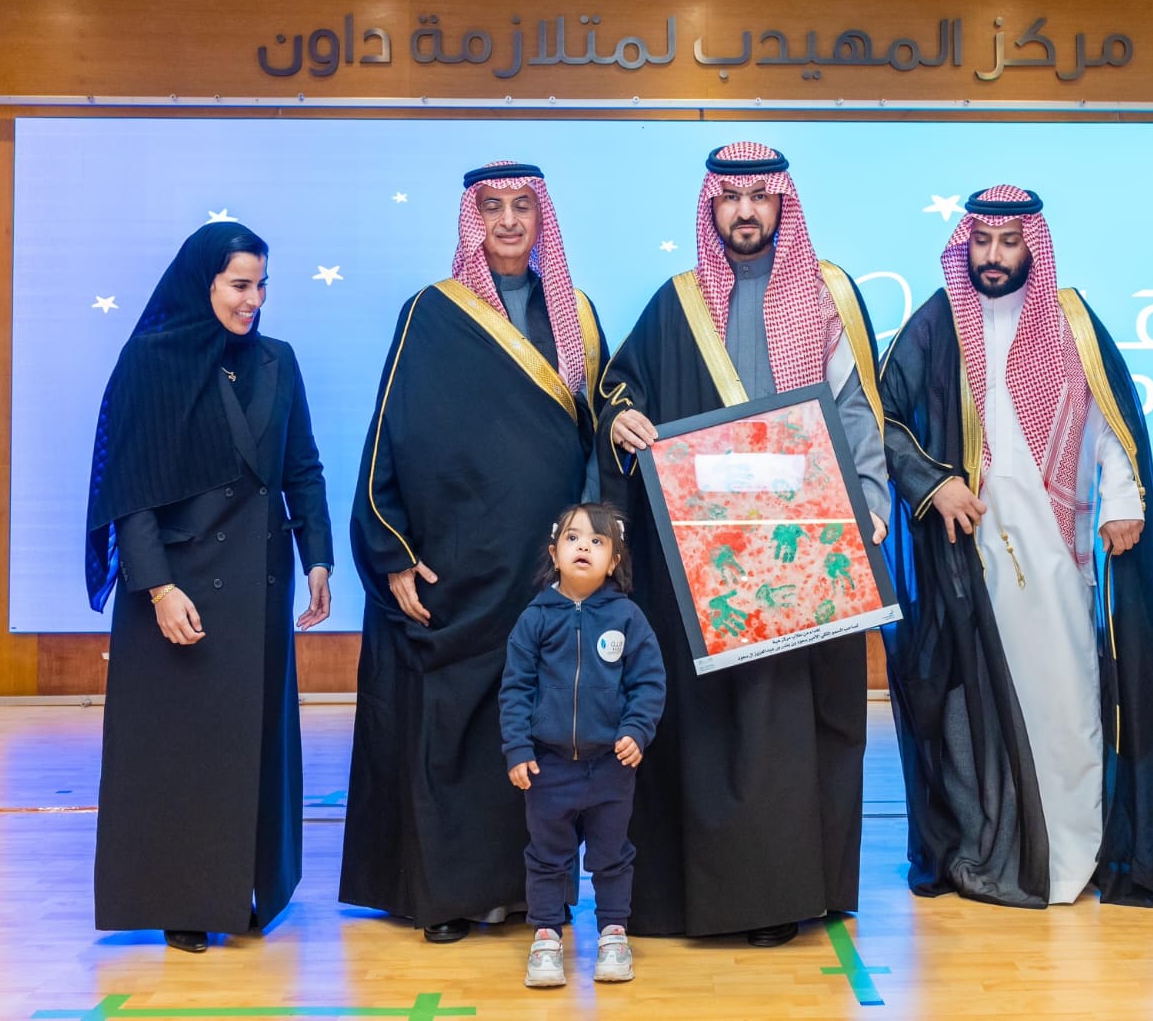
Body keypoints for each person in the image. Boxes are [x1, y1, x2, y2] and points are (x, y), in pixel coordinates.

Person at [598, 141, 888, 946]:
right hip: (708, 554)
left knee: (796, 727)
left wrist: (869, 502)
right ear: (711, 208)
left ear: (782, 203)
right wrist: (620, 419)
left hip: (806, 546)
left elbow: (856, 408)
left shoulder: (828, 293)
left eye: (759, 196)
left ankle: (792, 893)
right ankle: (716, 897)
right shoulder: (677, 302)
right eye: (730, 198)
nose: (745, 211)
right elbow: (621, 387)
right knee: (718, 727)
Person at [879, 186, 1153, 909]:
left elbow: (1112, 423)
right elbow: (884, 419)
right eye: (981, 241)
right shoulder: (938, 321)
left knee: (1067, 700)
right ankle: (995, 851)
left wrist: (1121, 498)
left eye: (1009, 242)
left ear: (1032, 247)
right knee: (976, 708)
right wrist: (934, 484)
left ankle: (1073, 854)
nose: (993, 256)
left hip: (1057, 551)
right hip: (967, 553)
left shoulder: (1071, 319)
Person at [341, 161, 610, 944]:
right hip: (456, 564)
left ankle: (530, 891)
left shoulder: (577, 313)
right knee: (456, 733)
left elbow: (596, 436)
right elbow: (387, 434)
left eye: (523, 206)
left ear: (541, 217)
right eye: (492, 208)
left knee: (540, 730)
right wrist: (392, 551)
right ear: (473, 220)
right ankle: (451, 896)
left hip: (544, 567)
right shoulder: (432, 311)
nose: (508, 221)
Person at [84, 221, 333, 953]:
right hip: (177, 591)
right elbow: (128, 493)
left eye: (261, 286)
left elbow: (303, 467)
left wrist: (317, 559)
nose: (253, 300)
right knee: (182, 752)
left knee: (250, 748)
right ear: (204, 283)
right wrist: (158, 589)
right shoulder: (149, 361)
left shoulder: (279, 360)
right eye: (239, 285)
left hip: (259, 585)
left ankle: (246, 890)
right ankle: (184, 901)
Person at [498, 502, 665, 988]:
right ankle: (546, 938)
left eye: (597, 540)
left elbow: (648, 682)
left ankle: (613, 934)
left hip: (610, 768)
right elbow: (515, 688)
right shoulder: (534, 618)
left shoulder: (627, 617)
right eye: (573, 538)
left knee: (612, 855)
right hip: (548, 769)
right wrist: (518, 749)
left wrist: (636, 731)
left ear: (614, 560)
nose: (584, 547)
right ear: (554, 554)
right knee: (547, 856)